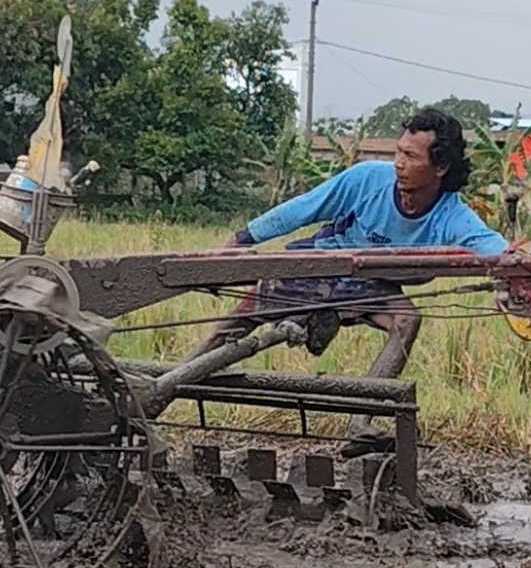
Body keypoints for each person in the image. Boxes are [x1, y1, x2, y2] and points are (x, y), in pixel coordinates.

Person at [191, 108, 510, 455]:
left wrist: (519, 270)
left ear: (440, 167)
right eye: (398, 152)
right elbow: (302, 209)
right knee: (233, 326)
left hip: (369, 284)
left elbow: (492, 247)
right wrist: (240, 241)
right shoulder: (366, 180)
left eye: (410, 156)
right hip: (321, 262)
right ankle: (160, 391)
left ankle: (360, 424)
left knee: (406, 320)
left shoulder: (452, 216)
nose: (398, 163)